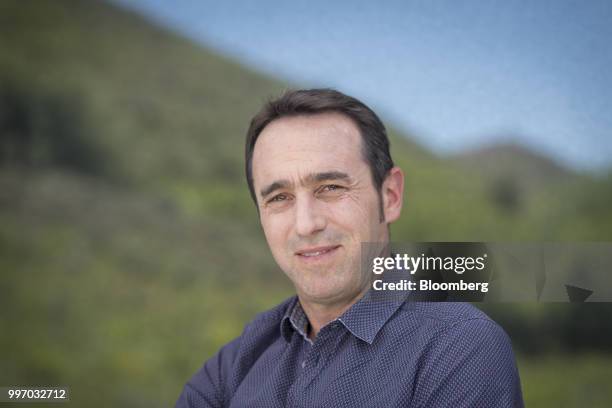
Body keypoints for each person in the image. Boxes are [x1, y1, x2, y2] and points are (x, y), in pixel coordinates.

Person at [176, 89, 524, 407]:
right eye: (279, 198)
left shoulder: (458, 346)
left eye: (330, 187)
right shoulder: (235, 364)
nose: (306, 224)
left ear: (390, 197)